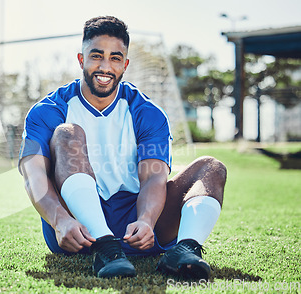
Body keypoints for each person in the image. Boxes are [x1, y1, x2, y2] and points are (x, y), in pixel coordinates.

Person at [18, 16, 226, 279]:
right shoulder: (49, 110)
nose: (105, 67)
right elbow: (33, 176)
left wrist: (147, 220)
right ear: (81, 60)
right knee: (67, 133)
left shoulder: (148, 113)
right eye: (97, 56)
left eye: (115, 58)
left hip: (134, 222)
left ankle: (184, 251)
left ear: (125, 64)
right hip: (76, 228)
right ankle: (105, 247)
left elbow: (153, 177)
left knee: (211, 168)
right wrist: (59, 220)